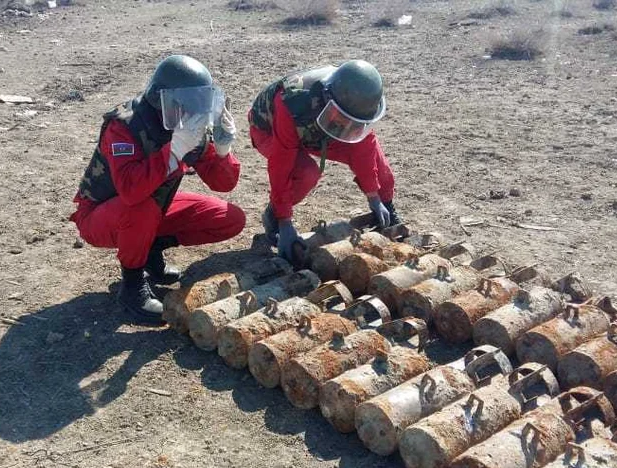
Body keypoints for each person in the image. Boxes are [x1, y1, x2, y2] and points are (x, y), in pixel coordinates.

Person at [70, 55, 245, 325]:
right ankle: (132, 287)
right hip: (100, 216)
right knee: (141, 206)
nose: (193, 110)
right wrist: (174, 150)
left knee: (229, 218)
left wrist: (223, 151)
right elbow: (130, 191)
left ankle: (150, 250)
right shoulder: (125, 125)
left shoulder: (190, 124)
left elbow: (223, 184)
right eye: (186, 103)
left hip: (151, 207)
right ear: (162, 99)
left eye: (198, 102)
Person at [248, 60, 401, 262]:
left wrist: (375, 196)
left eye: (356, 122)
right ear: (329, 100)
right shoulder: (292, 101)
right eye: (347, 120)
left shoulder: (359, 106)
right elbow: (281, 166)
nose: (352, 126)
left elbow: (364, 149)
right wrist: (284, 220)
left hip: (320, 129)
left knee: (379, 165)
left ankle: (387, 211)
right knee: (306, 173)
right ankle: (273, 217)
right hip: (270, 130)